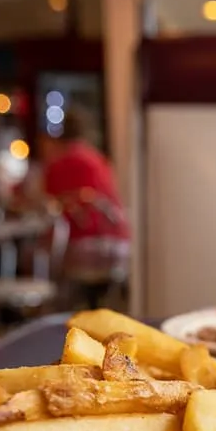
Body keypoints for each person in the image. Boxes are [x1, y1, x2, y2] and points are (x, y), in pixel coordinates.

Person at [39, 105, 131, 309]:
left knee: (42, 254)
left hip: (79, 250)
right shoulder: (98, 160)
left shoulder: (55, 165)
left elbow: (50, 209)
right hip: (118, 248)